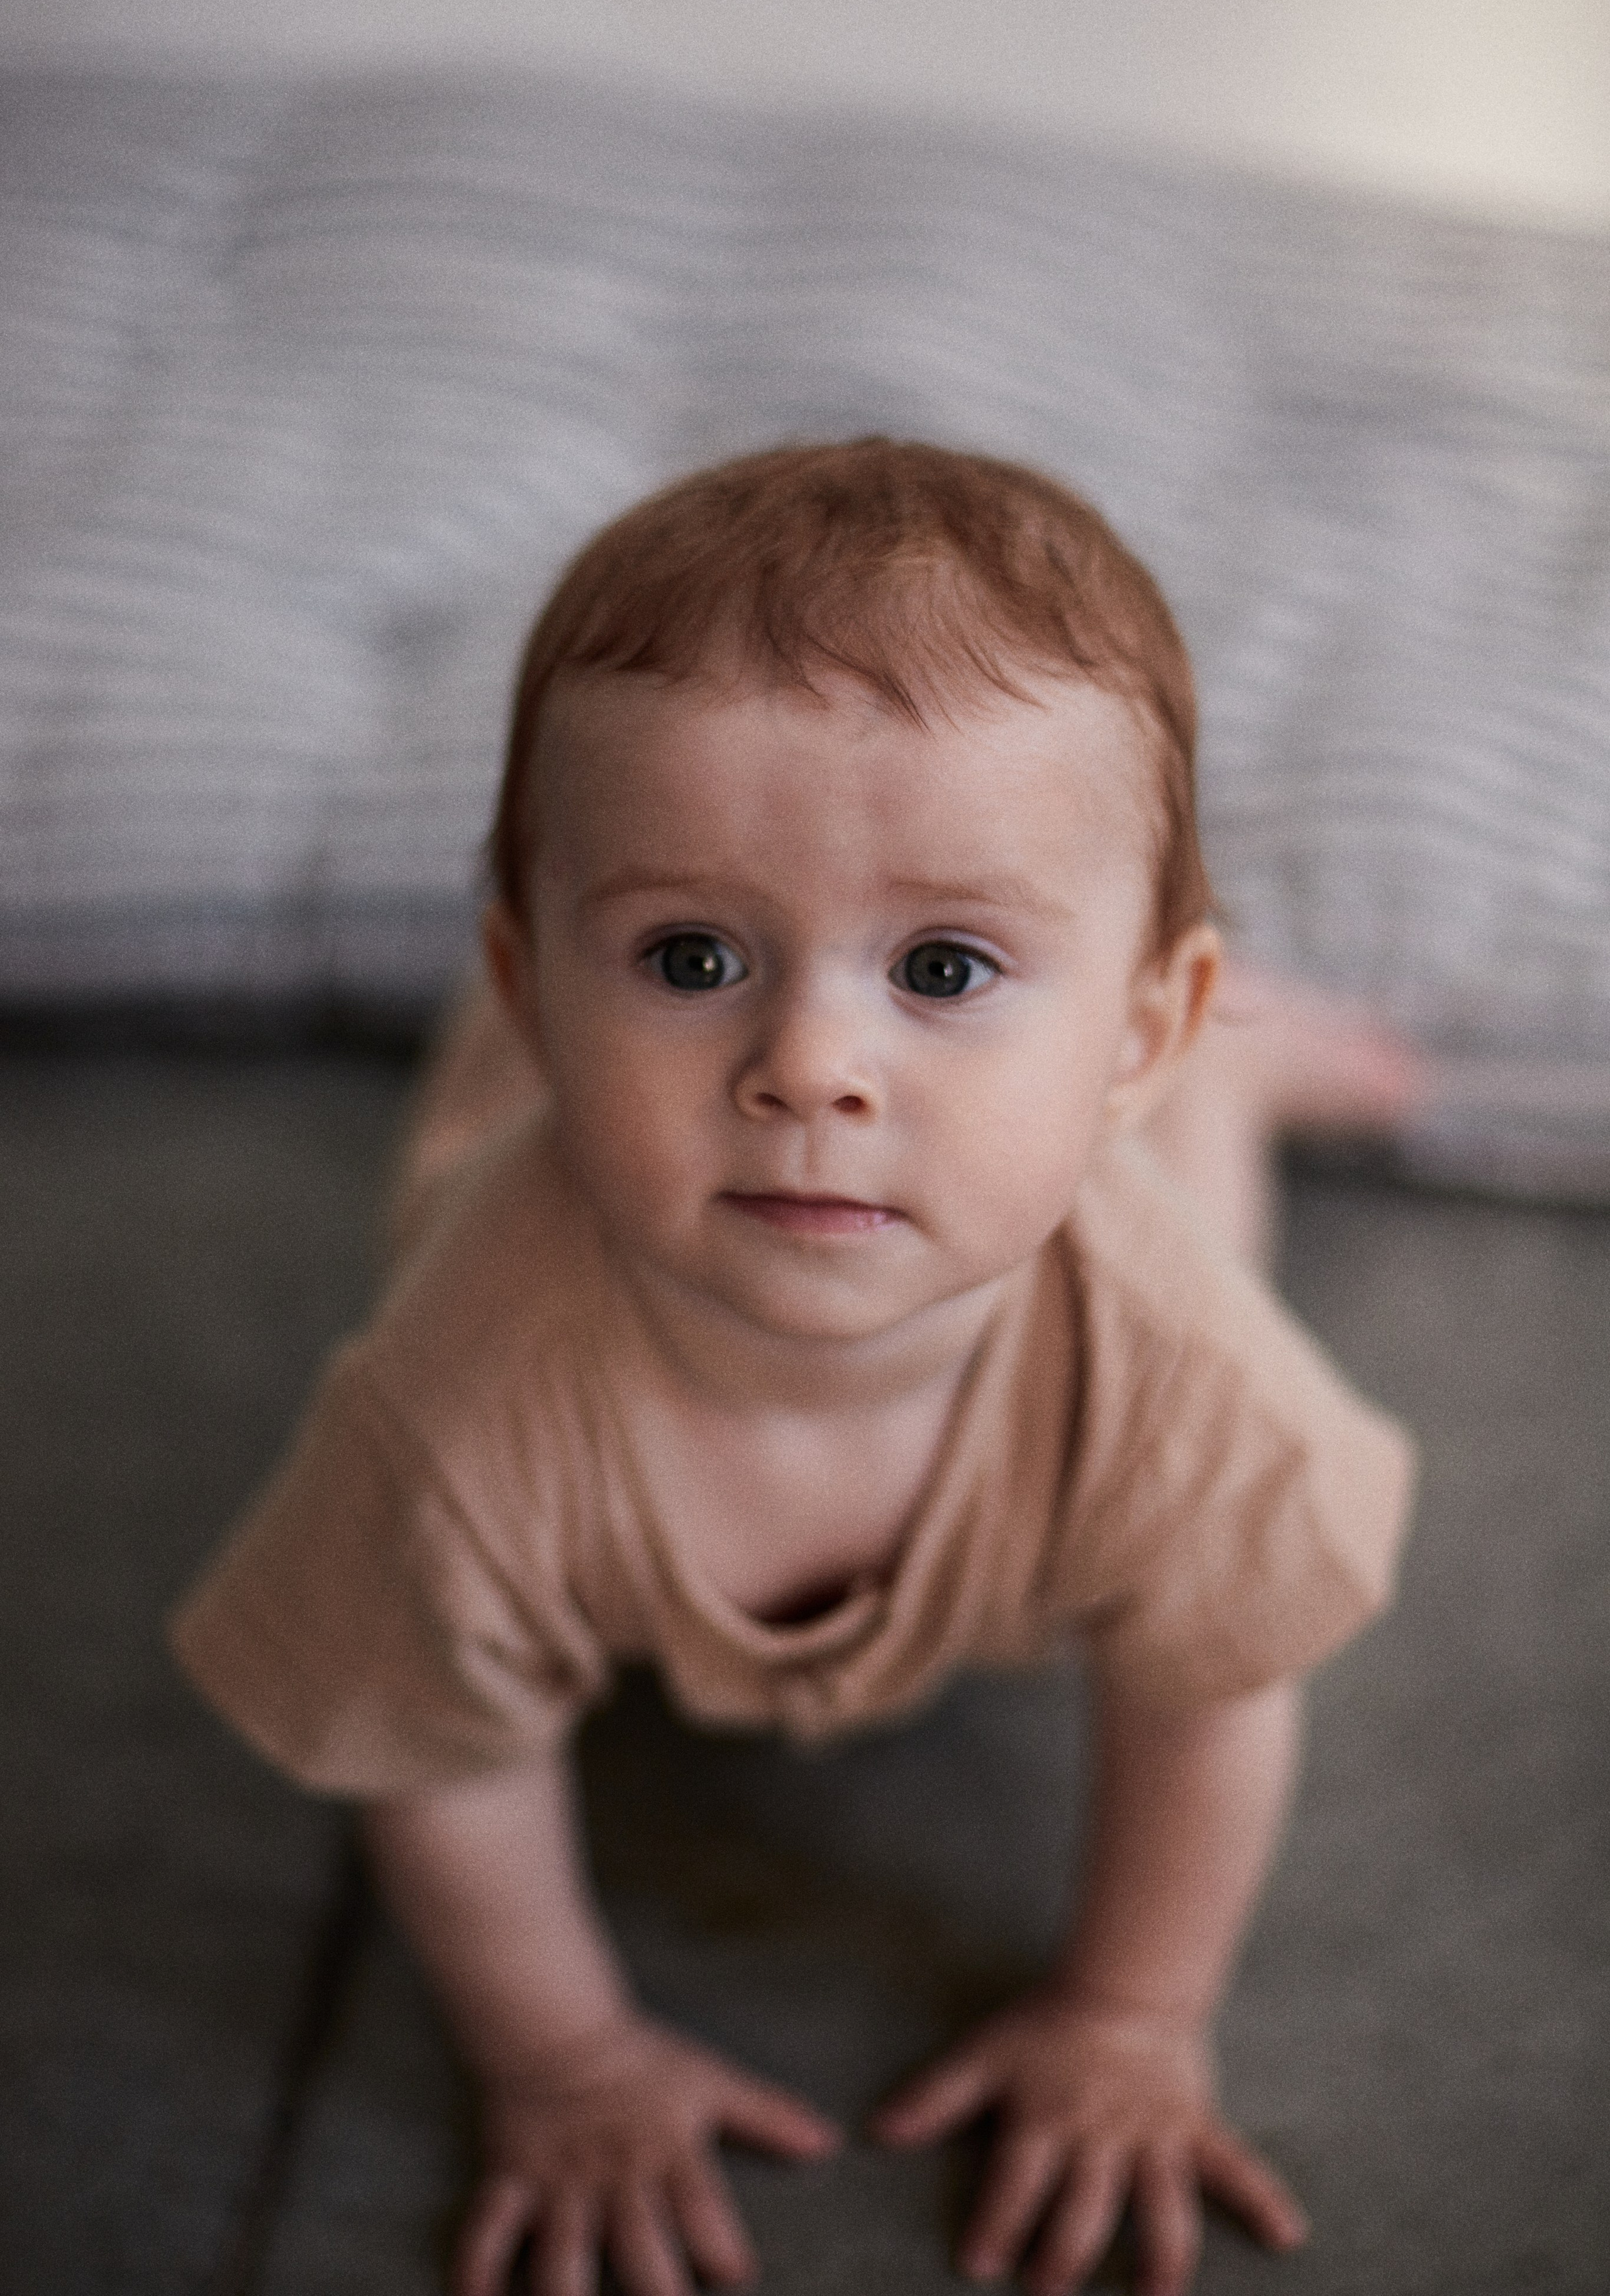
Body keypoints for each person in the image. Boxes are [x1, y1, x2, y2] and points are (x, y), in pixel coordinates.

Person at [171, 441, 1419, 2296]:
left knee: (1191, 1234)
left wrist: (1136, 2013)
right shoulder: (456, 1418)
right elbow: (437, 1756)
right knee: (495, 1149)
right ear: (536, 982)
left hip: (1094, 1206)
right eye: (693, 954)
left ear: (1135, 1022)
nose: (810, 1063)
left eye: (942, 966)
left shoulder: (1162, 1367)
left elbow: (1219, 1683)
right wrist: (565, 2059)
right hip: (538, 1154)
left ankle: (1230, 1072)